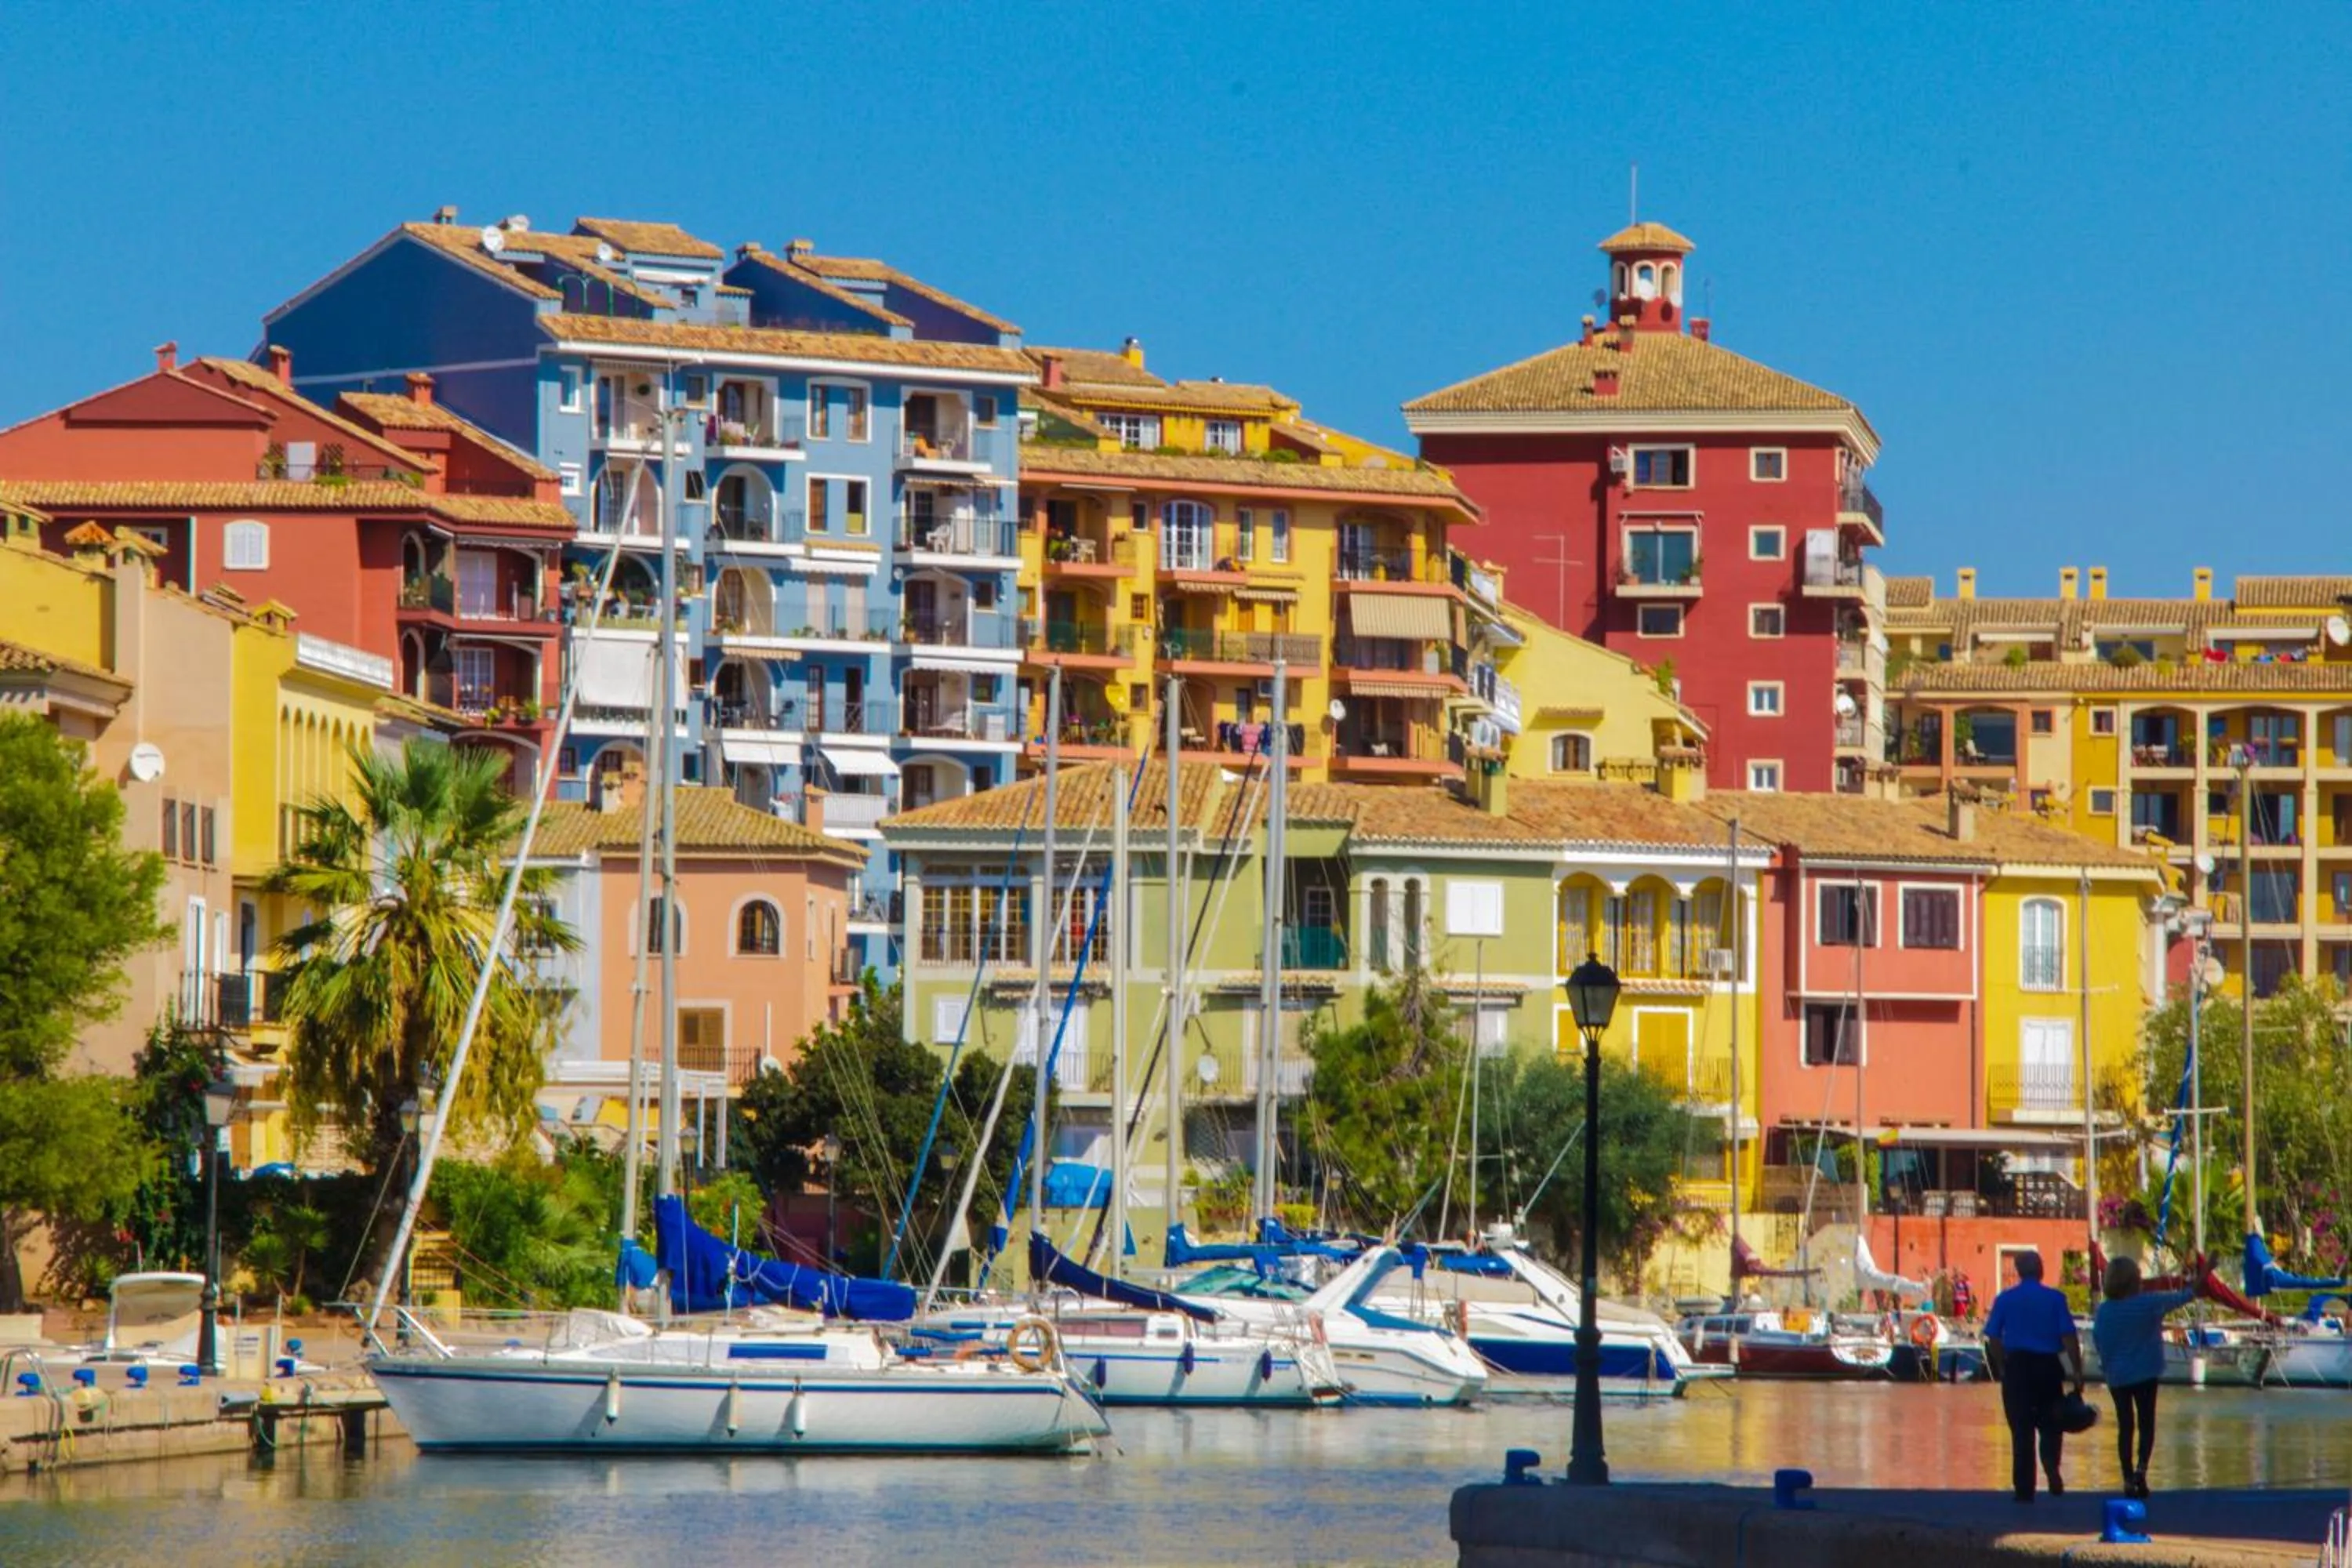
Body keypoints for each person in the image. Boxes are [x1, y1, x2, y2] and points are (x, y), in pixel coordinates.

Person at [2091, 1256, 2199, 1501]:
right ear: (2134, 1280)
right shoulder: (2149, 1303)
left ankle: (2127, 1476)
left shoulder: (2105, 1310)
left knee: (2125, 1425)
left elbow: (2098, 1340)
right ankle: (2141, 1470)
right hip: (2145, 1371)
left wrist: (2107, 1363)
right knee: (2146, 1422)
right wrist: (2206, 1271)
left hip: (2117, 1374)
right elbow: (2186, 1296)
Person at [1983, 1250, 2085, 1501]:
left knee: (2021, 1429)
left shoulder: (2005, 1299)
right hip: (2048, 1367)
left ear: (2018, 1271)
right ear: (2040, 1270)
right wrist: (2076, 1371)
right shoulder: (2056, 1299)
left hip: (2018, 1367)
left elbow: (1993, 1337)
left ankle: (2024, 1488)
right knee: (2052, 1423)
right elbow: (2068, 1337)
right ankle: (2051, 1466)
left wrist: (2003, 1365)